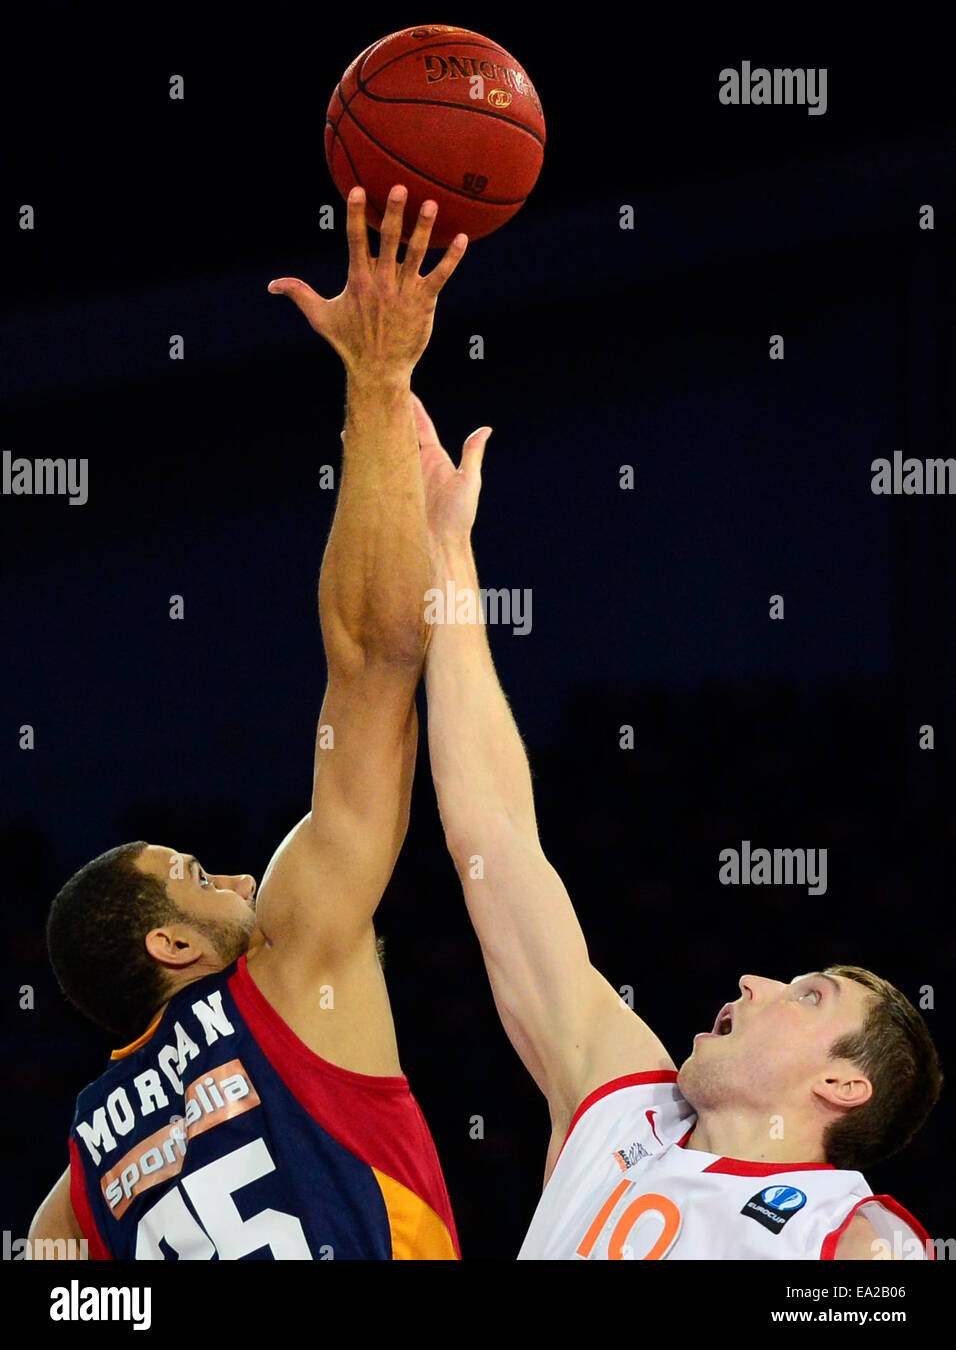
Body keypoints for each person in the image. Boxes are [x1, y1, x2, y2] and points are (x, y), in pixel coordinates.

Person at [29, 185, 467, 1261]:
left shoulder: (77, 1192)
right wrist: (377, 377)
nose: (233, 877)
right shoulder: (292, 966)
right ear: (169, 941)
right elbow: (371, 662)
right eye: (194, 873)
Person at [414, 395, 942, 1261]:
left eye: (809, 995)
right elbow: (496, 837)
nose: (756, 981)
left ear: (844, 1083)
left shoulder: (850, 1240)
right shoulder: (622, 1104)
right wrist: (446, 549)